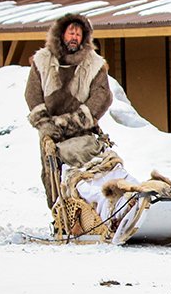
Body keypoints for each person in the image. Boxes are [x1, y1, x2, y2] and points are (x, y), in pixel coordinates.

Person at [25, 13, 114, 208]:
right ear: (61, 34)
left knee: (94, 171)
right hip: (51, 133)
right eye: (70, 33)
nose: (74, 37)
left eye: (78, 34)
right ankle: (61, 217)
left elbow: (102, 96)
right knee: (53, 176)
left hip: (83, 132)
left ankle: (96, 211)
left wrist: (77, 120)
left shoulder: (94, 64)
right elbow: (33, 94)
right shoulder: (42, 61)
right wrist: (46, 125)